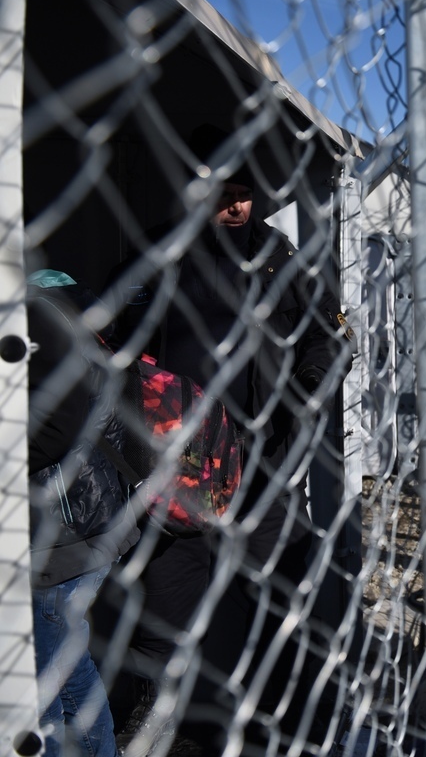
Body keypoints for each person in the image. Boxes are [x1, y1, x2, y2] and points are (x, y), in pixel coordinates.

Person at [101, 126, 352, 754]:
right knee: (169, 603)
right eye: (222, 192)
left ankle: (273, 723)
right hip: (176, 466)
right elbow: (116, 342)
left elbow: (326, 336)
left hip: (263, 462)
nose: (234, 206)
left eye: (244, 193)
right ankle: (168, 725)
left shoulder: (280, 257)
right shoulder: (163, 256)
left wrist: (310, 384)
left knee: (268, 596)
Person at [27, 271, 141, 757]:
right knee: (67, 662)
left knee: (43, 676)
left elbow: (60, 430)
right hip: (98, 519)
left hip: (68, 532)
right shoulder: (85, 329)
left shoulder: (40, 330)